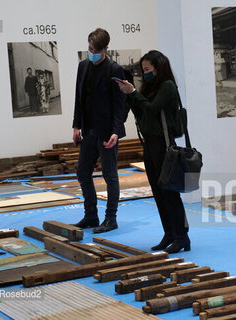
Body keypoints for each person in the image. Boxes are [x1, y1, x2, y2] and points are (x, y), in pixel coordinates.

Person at [115, 50, 190, 254]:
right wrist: (129, 95)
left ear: (159, 67)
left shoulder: (167, 86)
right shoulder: (149, 87)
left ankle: (182, 236)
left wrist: (133, 94)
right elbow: (141, 111)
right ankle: (169, 233)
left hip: (164, 145)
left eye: (147, 69)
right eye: (143, 69)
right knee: (158, 192)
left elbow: (152, 109)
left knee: (169, 191)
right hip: (150, 144)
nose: (145, 73)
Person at [72, 28, 127, 233]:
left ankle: (111, 218)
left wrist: (116, 131)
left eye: (94, 49)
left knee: (109, 175)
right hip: (88, 129)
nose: (90, 52)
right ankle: (91, 215)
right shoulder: (83, 66)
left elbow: (120, 104)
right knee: (82, 171)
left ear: (105, 49)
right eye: (89, 48)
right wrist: (76, 125)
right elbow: (79, 99)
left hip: (106, 132)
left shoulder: (114, 70)